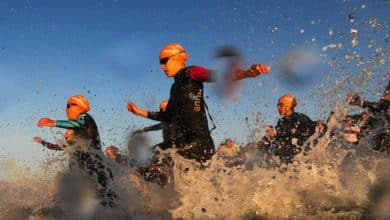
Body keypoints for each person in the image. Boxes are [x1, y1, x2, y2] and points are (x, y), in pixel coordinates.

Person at [127, 43, 269, 163]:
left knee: (158, 158)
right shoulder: (174, 88)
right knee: (146, 158)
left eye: (164, 61)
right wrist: (138, 111)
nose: (162, 67)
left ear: (177, 58)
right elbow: (166, 116)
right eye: (160, 63)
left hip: (199, 144)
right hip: (184, 142)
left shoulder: (191, 72)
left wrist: (247, 73)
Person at [36, 94, 116, 207]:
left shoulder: (84, 117)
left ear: (77, 106)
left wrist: (54, 123)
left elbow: (78, 124)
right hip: (88, 173)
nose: (66, 109)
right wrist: (42, 142)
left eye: (68, 106)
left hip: (97, 168)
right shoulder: (75, 141)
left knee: (106, 200)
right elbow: (58, 147)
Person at [274, 93, 316, 164]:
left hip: (299, 159)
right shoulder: (280, 122)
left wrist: (317, 123)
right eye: (278, 105)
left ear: (288, 105)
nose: (278, 108)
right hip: (284, 161)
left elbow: (313, 129)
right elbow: (278, 140)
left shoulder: (300, 117)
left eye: (280, 105)